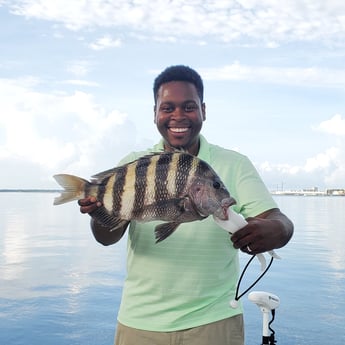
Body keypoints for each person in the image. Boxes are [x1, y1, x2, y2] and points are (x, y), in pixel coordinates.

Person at [78, 65, 294, 345]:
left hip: (214, 321)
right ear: (155, 112)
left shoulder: (235, 164)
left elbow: (280, 221)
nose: (178, 116)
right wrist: (100, 213)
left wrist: (275, 230)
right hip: (139, 323)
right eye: (167, 107)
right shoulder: (133, 164)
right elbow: (106, 238)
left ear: (203, 110)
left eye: (189, 107)